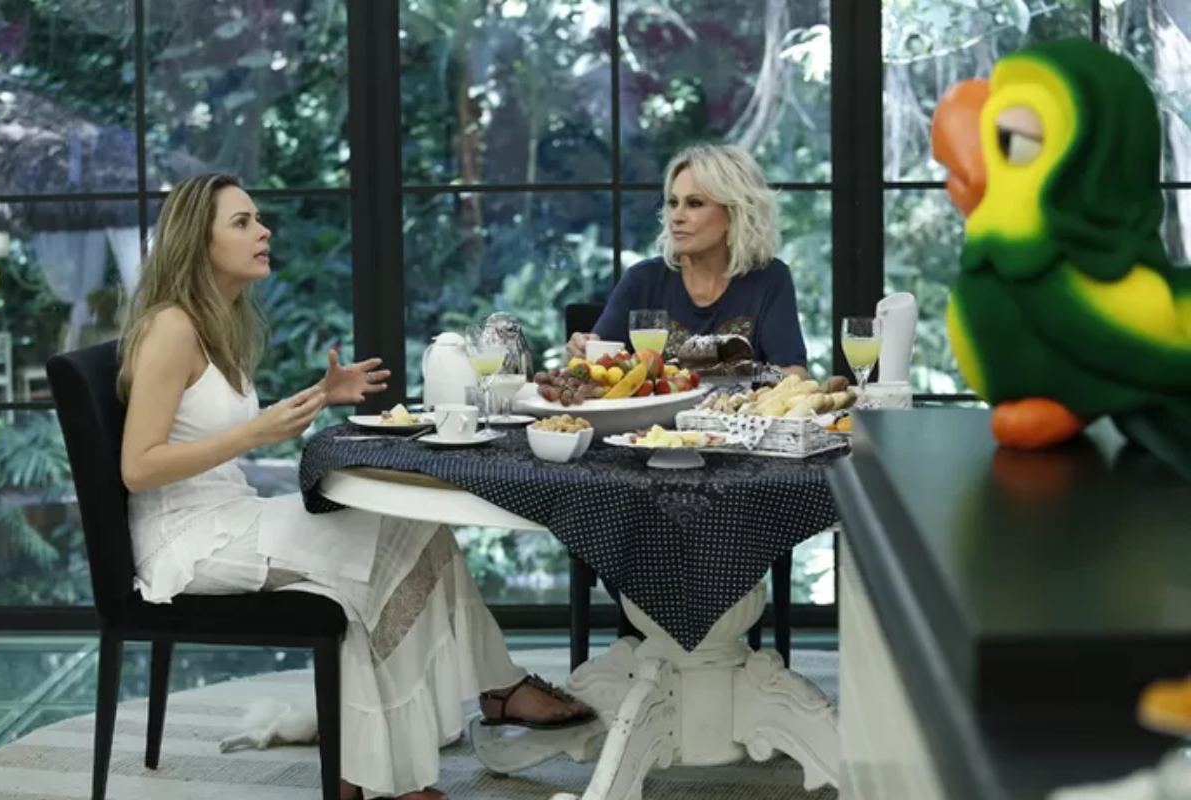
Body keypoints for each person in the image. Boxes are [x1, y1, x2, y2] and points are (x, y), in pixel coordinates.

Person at [117, 174, 594, 800]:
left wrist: (322, 395)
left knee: (410, 532)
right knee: (388, 548)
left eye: (257, 218)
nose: (263, 231)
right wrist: (255, 433)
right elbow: (139, 466)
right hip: (189, 542)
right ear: (196, 242)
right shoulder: (171, 328)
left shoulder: (218, 323)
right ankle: (428, 744)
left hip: (230, 515)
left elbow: (213, 425)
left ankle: (381, 761)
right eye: (241, 222)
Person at [567, 143, 810, 378]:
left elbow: (793, 373)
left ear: (735, 213)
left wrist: (727, 379)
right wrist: (581, 352)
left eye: (694, 204)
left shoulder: (769, 278)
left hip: (740, 409)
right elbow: (596, 369)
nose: (676, 216)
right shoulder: (642, 280)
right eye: (673, 203)